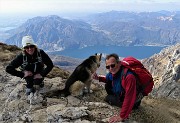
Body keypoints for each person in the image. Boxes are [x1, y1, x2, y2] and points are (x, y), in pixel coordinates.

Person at [93, 53, 143, 123]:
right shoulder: (114, 72)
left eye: (112, 65)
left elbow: (129, 97)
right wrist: (98, 78)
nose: (110, 68)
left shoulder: (129, 77)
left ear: (119, 63)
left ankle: (129, 105)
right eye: (108, 67)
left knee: (108, 98)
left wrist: (121, 116)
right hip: (122, 94)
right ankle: (117, 98)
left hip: (133, 101)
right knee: (107, 84)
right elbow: (108, 79)